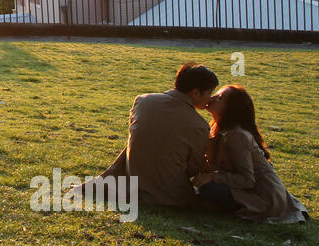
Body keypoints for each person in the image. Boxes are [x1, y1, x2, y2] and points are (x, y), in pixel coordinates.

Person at [84, 62, 219, 209]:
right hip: (170, 196)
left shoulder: (143, 101)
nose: (210, 99)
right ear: (195, 93)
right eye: (209, 93)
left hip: (132, 185)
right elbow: (193, 169)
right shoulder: (199, 125)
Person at [192, 85, 309, 223]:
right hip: (245, 189)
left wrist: (212, 177)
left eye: (220, 98)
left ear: (231, 108)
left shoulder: (238, 136)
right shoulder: (216, 128)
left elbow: (247, 180)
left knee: (209, 190)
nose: (212, 98)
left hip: (263, 197)